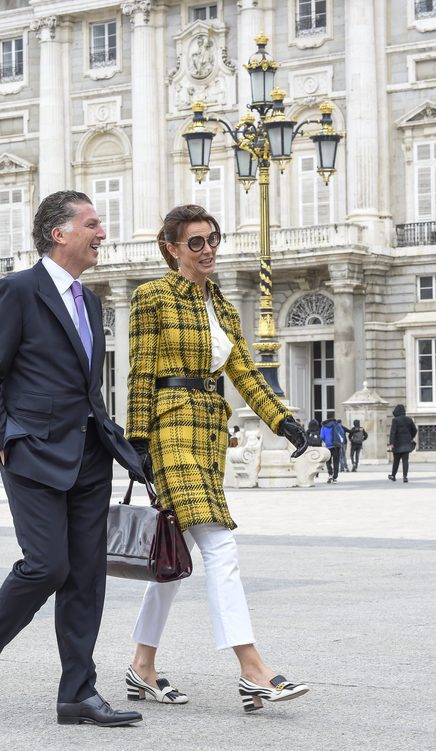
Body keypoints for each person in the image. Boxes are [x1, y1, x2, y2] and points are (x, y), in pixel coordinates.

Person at [0, 191, 144, 728]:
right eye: (92, 224)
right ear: (59, 233)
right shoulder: (15, 292)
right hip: (32, 450)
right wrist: (2, 440)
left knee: (86, 576)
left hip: (89, 453)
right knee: (48, 565)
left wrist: (117, 443)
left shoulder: (90, 301)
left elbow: (88, 387)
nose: (102, 234)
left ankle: (77, 695)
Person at [125, 204, 309, 714]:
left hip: (208, 433)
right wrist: (137, 441)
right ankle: (253, 668)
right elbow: (140, 373)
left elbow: (246, 374)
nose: (208, 250)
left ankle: (142, 665)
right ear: (172, 248)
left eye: (213, 240)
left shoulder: (223, 306)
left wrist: (283, 420)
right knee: (219, 545)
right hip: (169, 428)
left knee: (172, 556)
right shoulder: (152, 298)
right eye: (196, 243)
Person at [388, 404, 417, 483]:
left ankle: (393, 475)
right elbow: (415, 430)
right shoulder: (409, 419)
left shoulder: (395, 420)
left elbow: (393, 432)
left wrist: (391, 443)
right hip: (406, 443)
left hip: (397, 444)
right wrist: (410, 437)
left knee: (396, 460)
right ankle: (405, 477)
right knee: (405, 460)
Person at [320, 416, 344, 483]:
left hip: (328, 447)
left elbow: (322, 436)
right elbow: (342, 434)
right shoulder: (337, 425)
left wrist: (326, 442)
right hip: (337, 446)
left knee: (328, 461)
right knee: (336, 462)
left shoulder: (324, 426)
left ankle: (330, 475)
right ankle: (335, 478)